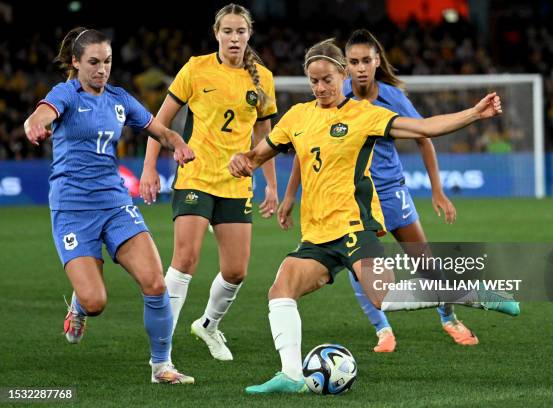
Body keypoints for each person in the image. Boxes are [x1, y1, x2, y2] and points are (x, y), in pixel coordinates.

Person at [228, 38, 517, 394]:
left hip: (354, 229)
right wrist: (241, 161)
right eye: (314, 81)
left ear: (342, 74)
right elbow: (256, 157)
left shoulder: (364, 115)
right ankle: (290, 375)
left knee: (385, 297)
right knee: (280, 289)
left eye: (327, 79)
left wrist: (474, 113)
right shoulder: (297, 117)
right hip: (316, 237)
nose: (321, 87)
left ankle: (471, 294)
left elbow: (424, 129)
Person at [277, 29, 477, 351]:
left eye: (365, 61)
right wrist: (290, 194)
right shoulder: (333, 94)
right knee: (363, 268)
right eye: (353, 62)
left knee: (423, 261)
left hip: (391, 191)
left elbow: (424, 138)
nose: (359, 68)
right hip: (355, 197)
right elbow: (306, 145)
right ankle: (383, 330)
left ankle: (448, 317)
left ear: (376, 61)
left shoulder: (392, 98)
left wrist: (437, 191)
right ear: (344, 66)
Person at [23, 27, 195, 384]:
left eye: (108, 61)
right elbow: (41, 115)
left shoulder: (119, 99)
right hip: (72, 210)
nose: (102, 69)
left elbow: (159, 129)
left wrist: (177, 143)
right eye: (94, 62)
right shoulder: (66, 94)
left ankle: (161, 366)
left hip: (115, 204)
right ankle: (79, 305)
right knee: (96, 301)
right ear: (75, 62)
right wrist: (34, 126)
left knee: (155, 283)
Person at [139, 3, 278, 362]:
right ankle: (161, 351)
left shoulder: (262, 78)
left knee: (236, 270)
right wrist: (149, 168)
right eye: (227, 31)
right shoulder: (196, 68)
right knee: (185, 259)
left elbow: (266, 136)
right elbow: (160, 122)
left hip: (236, 183)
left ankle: (208, 325)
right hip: (195, 176)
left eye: (240, 32)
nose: (234, 38)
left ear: (249, 34)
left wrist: (272, 185)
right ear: (216, 33)